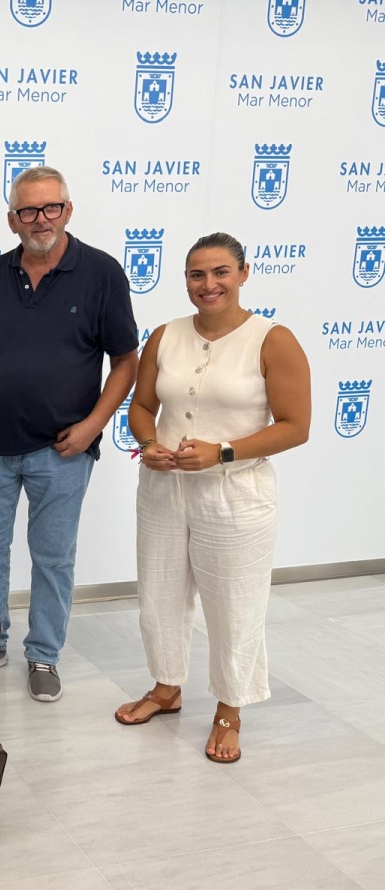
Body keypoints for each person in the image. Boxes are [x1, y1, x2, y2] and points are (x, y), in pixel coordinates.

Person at [114, 233, 310, 763]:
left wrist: (222, 452)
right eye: (197, 274)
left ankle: (229, 709)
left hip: (235, 493)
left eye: (221, 272)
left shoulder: (272, 340)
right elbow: (142, 406)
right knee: (159, 593)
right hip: (164, 488)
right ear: (185, 281)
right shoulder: (165, 335)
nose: (209, 284)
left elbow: (296, 426)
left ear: (244, 273)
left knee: (234, 604)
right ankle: (166, 687)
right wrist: (148, 444)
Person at [0, 165, 138, 703]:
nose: (41, 219)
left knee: (53, 558)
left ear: (68, 211)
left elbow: (126, 361)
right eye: (28, 210)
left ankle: (44, 655)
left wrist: (92, 427)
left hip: (63, 453)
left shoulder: (101, 273)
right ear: (12, 219)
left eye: (51, 207)